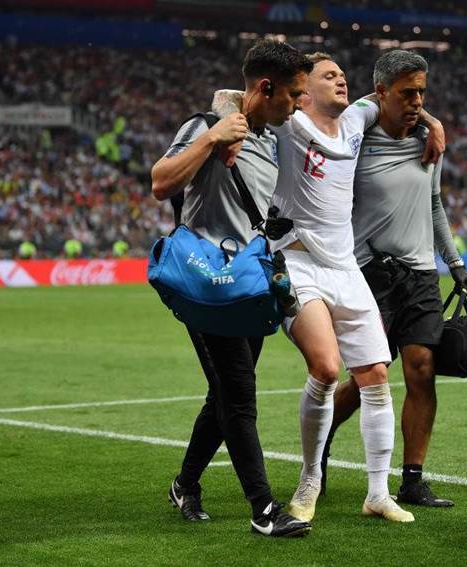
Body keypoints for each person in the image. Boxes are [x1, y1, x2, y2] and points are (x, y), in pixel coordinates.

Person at [214, 51, 445, 524]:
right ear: (303, 89)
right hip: (297, 261)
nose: (341, 80)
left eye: (343, 73)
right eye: (328, 75)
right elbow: (229, 97)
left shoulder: (359, 117)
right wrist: (227, 128)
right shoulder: (290, 123)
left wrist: (435, 124)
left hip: (347, 268)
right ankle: (309, 481)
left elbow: (397, 99)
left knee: (376, 377)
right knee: (324, 367)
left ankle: (378, 494)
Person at [150, 39, 313, 538]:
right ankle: (263, 509)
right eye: (293, 94)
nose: (299, 102)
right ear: (266, 88)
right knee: (240, 394)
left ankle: (185, 483)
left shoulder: (271, 135)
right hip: (207, 282)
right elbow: (161, 182)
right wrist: (214, 134)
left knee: (222, 395)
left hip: (249, 282)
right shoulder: (203, 127)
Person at [320, 50, 467, 508]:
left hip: (423, 274)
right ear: (382, 91)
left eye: (423, 93)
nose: (417, 101)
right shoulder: (356, 138)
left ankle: (412, 479)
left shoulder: (429, 141)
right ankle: (320, 443)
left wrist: (456, 263)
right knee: (371, 374)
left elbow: (434, 204)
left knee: (422, 370)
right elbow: (358, 107)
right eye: (408, 93)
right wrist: (430, 116)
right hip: (372, 272)